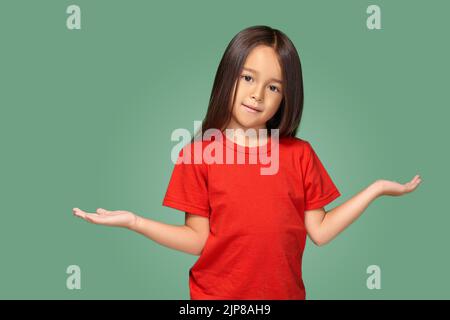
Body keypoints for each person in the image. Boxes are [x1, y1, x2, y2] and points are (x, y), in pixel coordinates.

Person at [72, 25, 422, 300]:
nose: (257, 94)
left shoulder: (299, 154)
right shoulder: (197, 154)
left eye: (274, 87)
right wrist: (134, 222)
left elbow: (321, 231)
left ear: (286, 98)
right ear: (229, 76)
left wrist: (376, 189)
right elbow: (197, 241)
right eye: (248, 78)